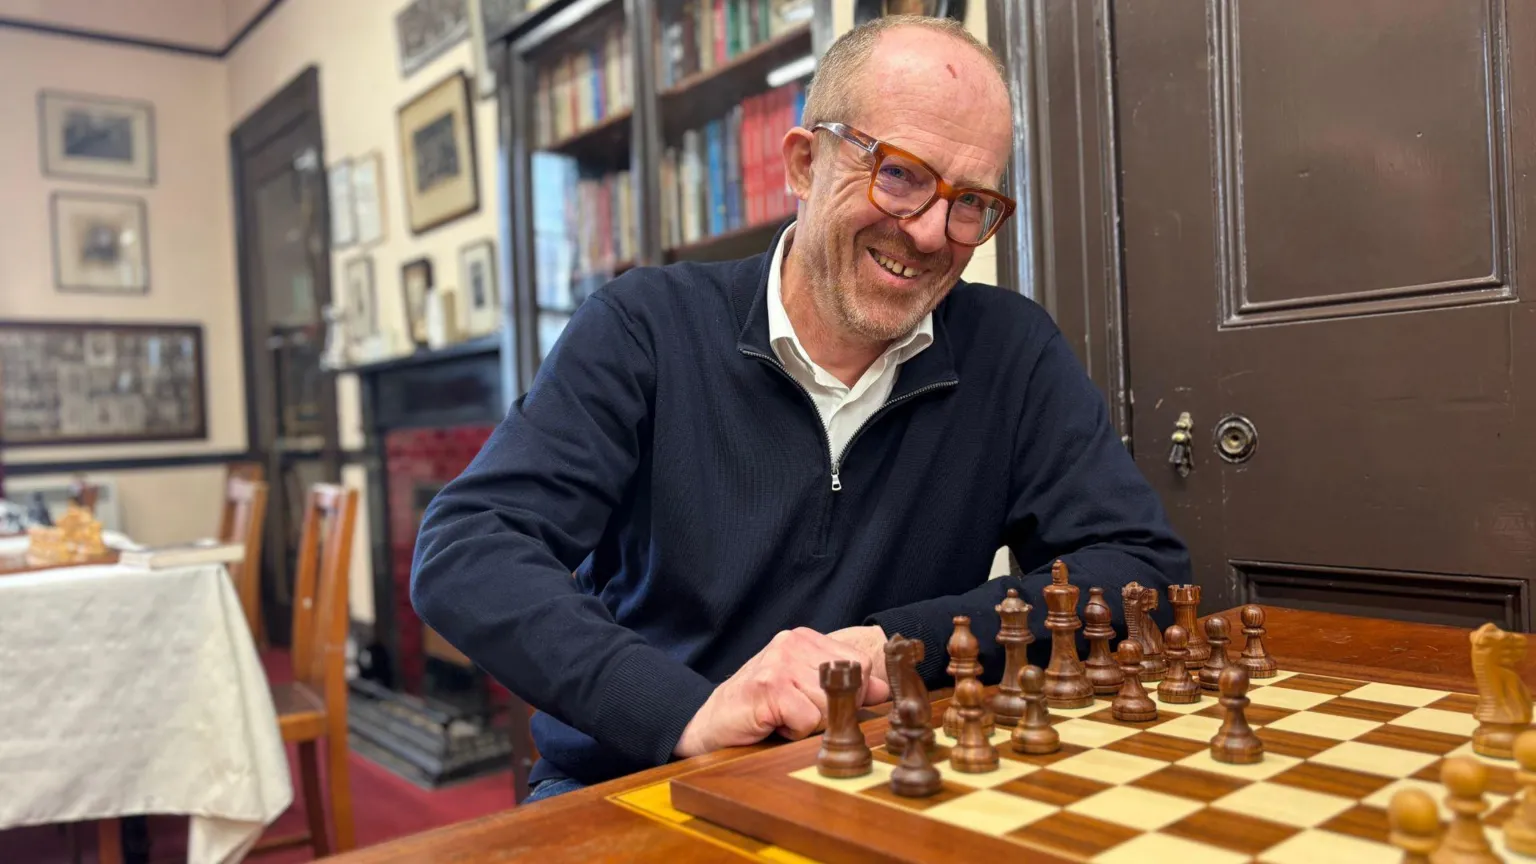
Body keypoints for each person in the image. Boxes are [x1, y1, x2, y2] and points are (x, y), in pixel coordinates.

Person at [410, 14, 1189, 804]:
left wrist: (894, 647)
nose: (929, 232)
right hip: (642, 774)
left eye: (971, 202)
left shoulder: (1011, 349)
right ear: (803, 164)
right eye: (900, 174)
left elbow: (1142, 569)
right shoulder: (644, 326)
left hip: (891, 777)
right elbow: (469, 547)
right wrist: (688, 711)